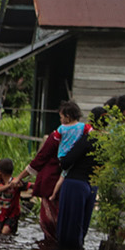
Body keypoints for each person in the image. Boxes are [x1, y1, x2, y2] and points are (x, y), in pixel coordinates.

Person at [12, 100, 88, 241]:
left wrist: (20, 177)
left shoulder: (58, 134)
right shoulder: (85, 132)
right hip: (76, 180)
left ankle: (51, 248)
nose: (60, 120)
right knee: (70, 220)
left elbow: (40, 159)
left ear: (67, 116)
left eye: (61, 117)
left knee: (50, 220)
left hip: (53, 180)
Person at [51, 108, 103, 249]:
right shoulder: (107, 142)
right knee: (81, 228)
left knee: (68, 229)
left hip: (75, 184)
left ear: (91, 121)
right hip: (92, 186)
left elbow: (67, 161)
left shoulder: (88, 139)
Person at [0, 158, 25, 236]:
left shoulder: (16, 182)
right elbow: (0, 189)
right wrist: (10, 185)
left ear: (0, 173)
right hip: (3, 213)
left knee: (4, 232)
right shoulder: (1, 183)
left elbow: (28, 185)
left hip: (13, 214)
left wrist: (21, 185)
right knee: (0, 232)